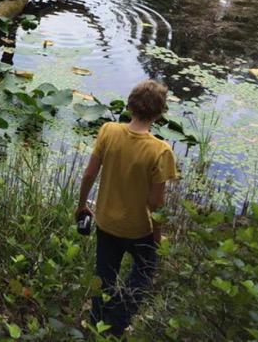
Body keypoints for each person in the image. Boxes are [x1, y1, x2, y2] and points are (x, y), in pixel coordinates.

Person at [75, 80, 179, 337]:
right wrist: (157, 237)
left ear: (130, 105)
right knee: (144, 272)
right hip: (139, 229)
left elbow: (89, 175)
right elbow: (156, 203)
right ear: (159, 114)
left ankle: (96, 324)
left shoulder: (108, 131)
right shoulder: (160, 151)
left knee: (104, 277)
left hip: (106, 222)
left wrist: (82, 206)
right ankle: (118, 322)